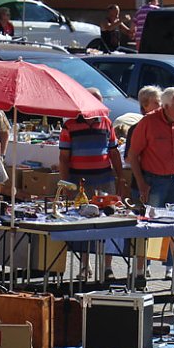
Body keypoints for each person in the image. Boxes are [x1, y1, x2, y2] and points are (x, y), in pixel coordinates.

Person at [126, 87, 174, 282]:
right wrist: (142, 184)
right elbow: (132, 156)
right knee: (146, 227)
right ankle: (139, 271)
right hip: (153, 180)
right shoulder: (148, 122)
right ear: (166, 106)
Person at [58, 87, 125, 281]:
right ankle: (85, 265)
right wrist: (66, 185)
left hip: (104, 180)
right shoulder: (69, 125)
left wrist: (120, 178)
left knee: (109, 223)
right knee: (83, 224)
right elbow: (63, 158)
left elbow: (113, 152)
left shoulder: (106, 122)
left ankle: (107, 267)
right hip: (80, 183)